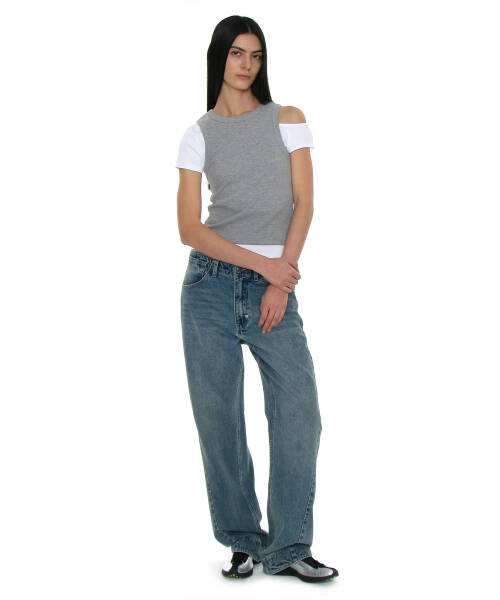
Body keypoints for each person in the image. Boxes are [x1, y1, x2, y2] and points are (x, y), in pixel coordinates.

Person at [175, 15, 339, 584]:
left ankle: (289, 544)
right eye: (237, 53)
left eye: (256, 55)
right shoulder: (198, 134)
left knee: (299, 411)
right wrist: (264, 267)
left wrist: (278, 280)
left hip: (274, 287)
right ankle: (243, 541)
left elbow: (304, 204)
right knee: (219, 418)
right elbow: (189, 229)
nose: (247, 65)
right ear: (219, 57)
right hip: (209, 288)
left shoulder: (286, 119)